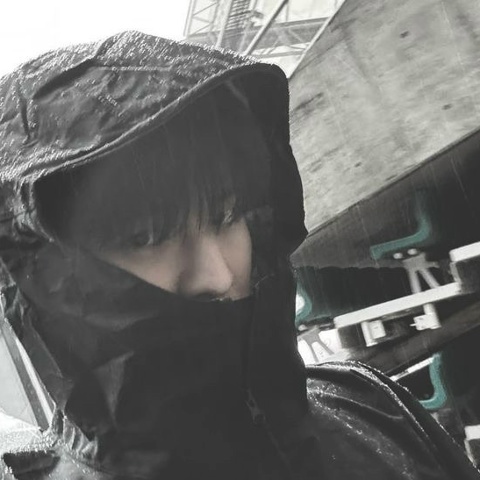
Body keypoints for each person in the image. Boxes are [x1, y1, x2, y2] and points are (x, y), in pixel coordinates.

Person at [0, 30, 478, 480]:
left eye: (228, 216)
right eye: (146, 238)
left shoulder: (372, 404)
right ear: (43, 280)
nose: (217, 275)